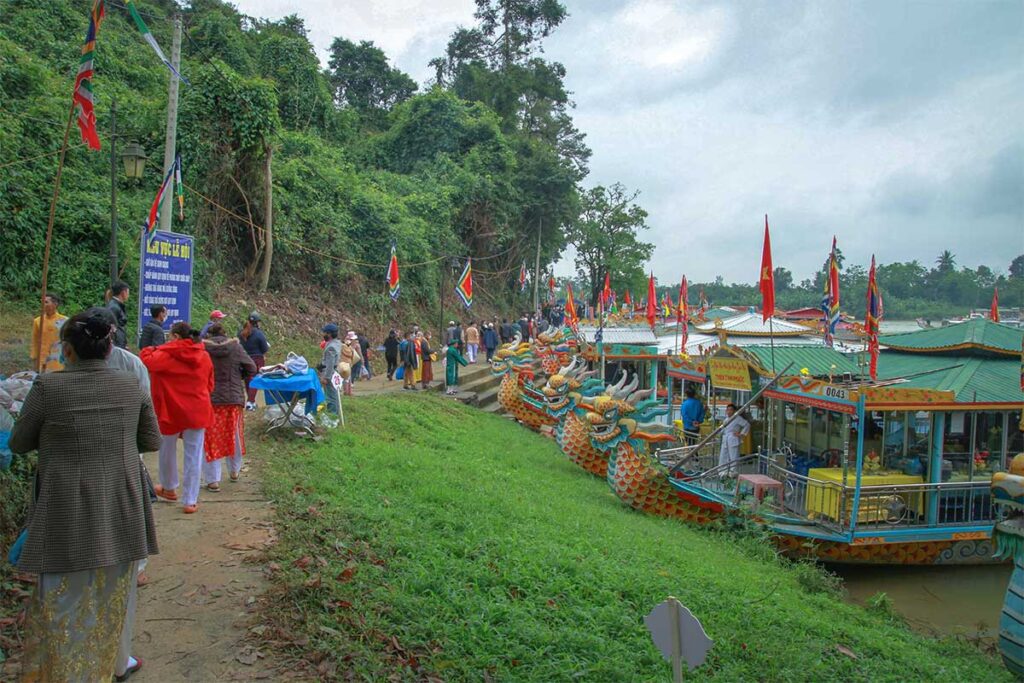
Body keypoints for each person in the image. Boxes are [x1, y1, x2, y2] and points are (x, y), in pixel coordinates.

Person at [10, 307, 160, 682]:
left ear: (68, 350)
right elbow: (151, 440)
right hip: (123, 501)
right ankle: (117, 662)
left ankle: (68, 673)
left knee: (63, 597)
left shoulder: (48, 387)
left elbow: (18, 441)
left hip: (66, 506)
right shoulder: (132, 385)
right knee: (117, 591)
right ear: (110, 349)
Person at [141, 322, 214, 514]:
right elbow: (210, 384)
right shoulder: (204, 355)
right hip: (197, 409)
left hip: (170, 410)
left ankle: (169, 487)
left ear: (174, 337)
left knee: (166, 449)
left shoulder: (164, 355)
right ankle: (190, 500)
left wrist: (163, 347)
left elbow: (146, 357)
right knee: (194, 454)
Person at [202, 323, 257, 490]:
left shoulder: (203, 349)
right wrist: (239, 375)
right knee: (234, 435)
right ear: (225, 334)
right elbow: (252, 367)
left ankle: (213, 480)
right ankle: (234, 471)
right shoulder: (236, 348)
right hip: (233, 398)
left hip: (210, 399)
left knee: (211, 438)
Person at [30, 292, 67, 373]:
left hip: (58, 358)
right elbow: (35, 340)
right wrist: (34, 357)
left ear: (55, 304)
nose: (43, 304)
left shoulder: (64, 320)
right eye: (42, 302)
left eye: (46, 302)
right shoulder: (38, 321)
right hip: (42, 358)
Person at [239, 312, 269, 410]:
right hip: (257, 359)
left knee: (248, 379)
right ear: (257, 322)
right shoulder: (259, 333)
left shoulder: (241, 332)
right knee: (255, 380)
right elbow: (264, 348)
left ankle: (250, 401)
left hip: (244, 358)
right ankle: (250, 402)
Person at [718, 403, 751, 475]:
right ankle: (723, 472)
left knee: (733, 457)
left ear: (734, 411)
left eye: (731, 410)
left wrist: (741, 434)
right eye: (728, 410)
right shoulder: (726, 419)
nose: (729, 411)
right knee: (723, 456)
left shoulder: (738, 418)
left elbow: (747, 425)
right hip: (726, 439)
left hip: (733, 438)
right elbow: (723, 429)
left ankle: (733, 472)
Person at [318, 324, 342, 414]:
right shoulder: (337, 343)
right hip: (334, 371)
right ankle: (335, 412)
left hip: (330, 373)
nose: (323, 334)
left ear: (329, 334)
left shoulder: (331, 347)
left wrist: (326, 378)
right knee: (334, 394)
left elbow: (330, 364)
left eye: (324, 333)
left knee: (331, 396)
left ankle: (333, 414)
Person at [106, 280, 130, 349]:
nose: (128, 295)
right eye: (128, 292)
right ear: (123, 292)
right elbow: (112, 328)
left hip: (119, 344)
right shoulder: (114, 307)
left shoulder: (117, 305)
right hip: (116, 346)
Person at [339, 332, 361, 396]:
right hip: (344, 364)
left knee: (348, 378)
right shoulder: (344, 346)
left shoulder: (346, 346)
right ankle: (346, 391)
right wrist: (353, 348)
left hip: (348, 363)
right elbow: (349, 353)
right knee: (346, 378)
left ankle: (349, 391)